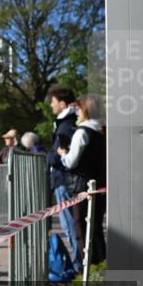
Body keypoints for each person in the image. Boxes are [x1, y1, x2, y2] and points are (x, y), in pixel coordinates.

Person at [58, 94, 106, 267]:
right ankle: (101, 267)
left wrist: (63, 155)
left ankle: (89, 272)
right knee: (97, 230)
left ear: (85, 109)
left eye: (78, 108)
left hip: (81, 187)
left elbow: (71, 162)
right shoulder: (102, 130)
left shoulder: (82, 132)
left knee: (83, 231)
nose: (76, 112)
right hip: (100, 185)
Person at [46, 86, 81, 269]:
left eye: (53, 102)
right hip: (66, 180)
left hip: (64, 181)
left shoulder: (66, 126)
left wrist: (50, 158)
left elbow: (60, 155)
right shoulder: (69, 122)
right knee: (72, 226)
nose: (51, 105)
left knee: (70, 226)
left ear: (62, 104)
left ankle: (78, 268)